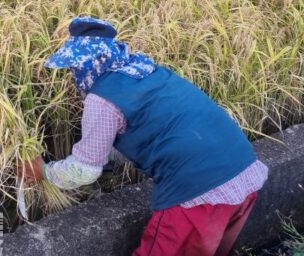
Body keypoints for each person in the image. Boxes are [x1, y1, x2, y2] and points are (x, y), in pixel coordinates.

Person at [19, 16, 268, 256]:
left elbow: (84, 171)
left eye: (75, 66)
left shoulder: (101, 98)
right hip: (243, 172)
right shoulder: (145, 70)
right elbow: (148, 128)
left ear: (85, 64)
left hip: (200, 192)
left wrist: (43, 172)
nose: (74, 74)